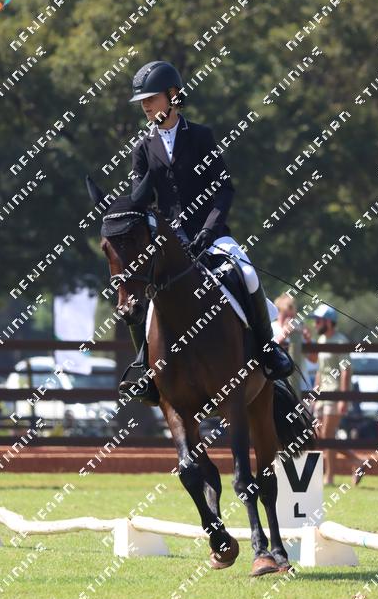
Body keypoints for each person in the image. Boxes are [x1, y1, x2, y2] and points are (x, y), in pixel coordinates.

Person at [118, 60, 293, 404]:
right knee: (137, 293)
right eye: (142, 101)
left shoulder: (200, 137)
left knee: (247, 274)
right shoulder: (142, 147)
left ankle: (268, 350)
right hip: (169, 244)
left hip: (210, 236)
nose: (145, 106)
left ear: (172, 96)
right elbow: (141, 200)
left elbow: (223, 190)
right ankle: (144, 367)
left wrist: (207, 232)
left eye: (151, 98)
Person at [307, 304, 364, 486]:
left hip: (335, 393)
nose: (315, 324)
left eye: (318, 320)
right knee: (321, 435)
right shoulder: (322, 339)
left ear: (329, 322)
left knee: (327, 435)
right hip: (322, 394)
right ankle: (357, 460)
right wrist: (315, 393)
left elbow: (346, 371)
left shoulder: (340, 341)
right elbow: (320, 369)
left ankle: (329, 476)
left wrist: (343, 398)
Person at [271, 294, 316, 395]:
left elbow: (314, 359)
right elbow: (268, 349)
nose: (289, 320)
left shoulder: (300, 329)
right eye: (286, 315)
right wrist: (285, 333)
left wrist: (308, 340)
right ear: (278, 313)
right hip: (278, 387)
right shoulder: (271, 328)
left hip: (302, 387)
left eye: (292, 316)